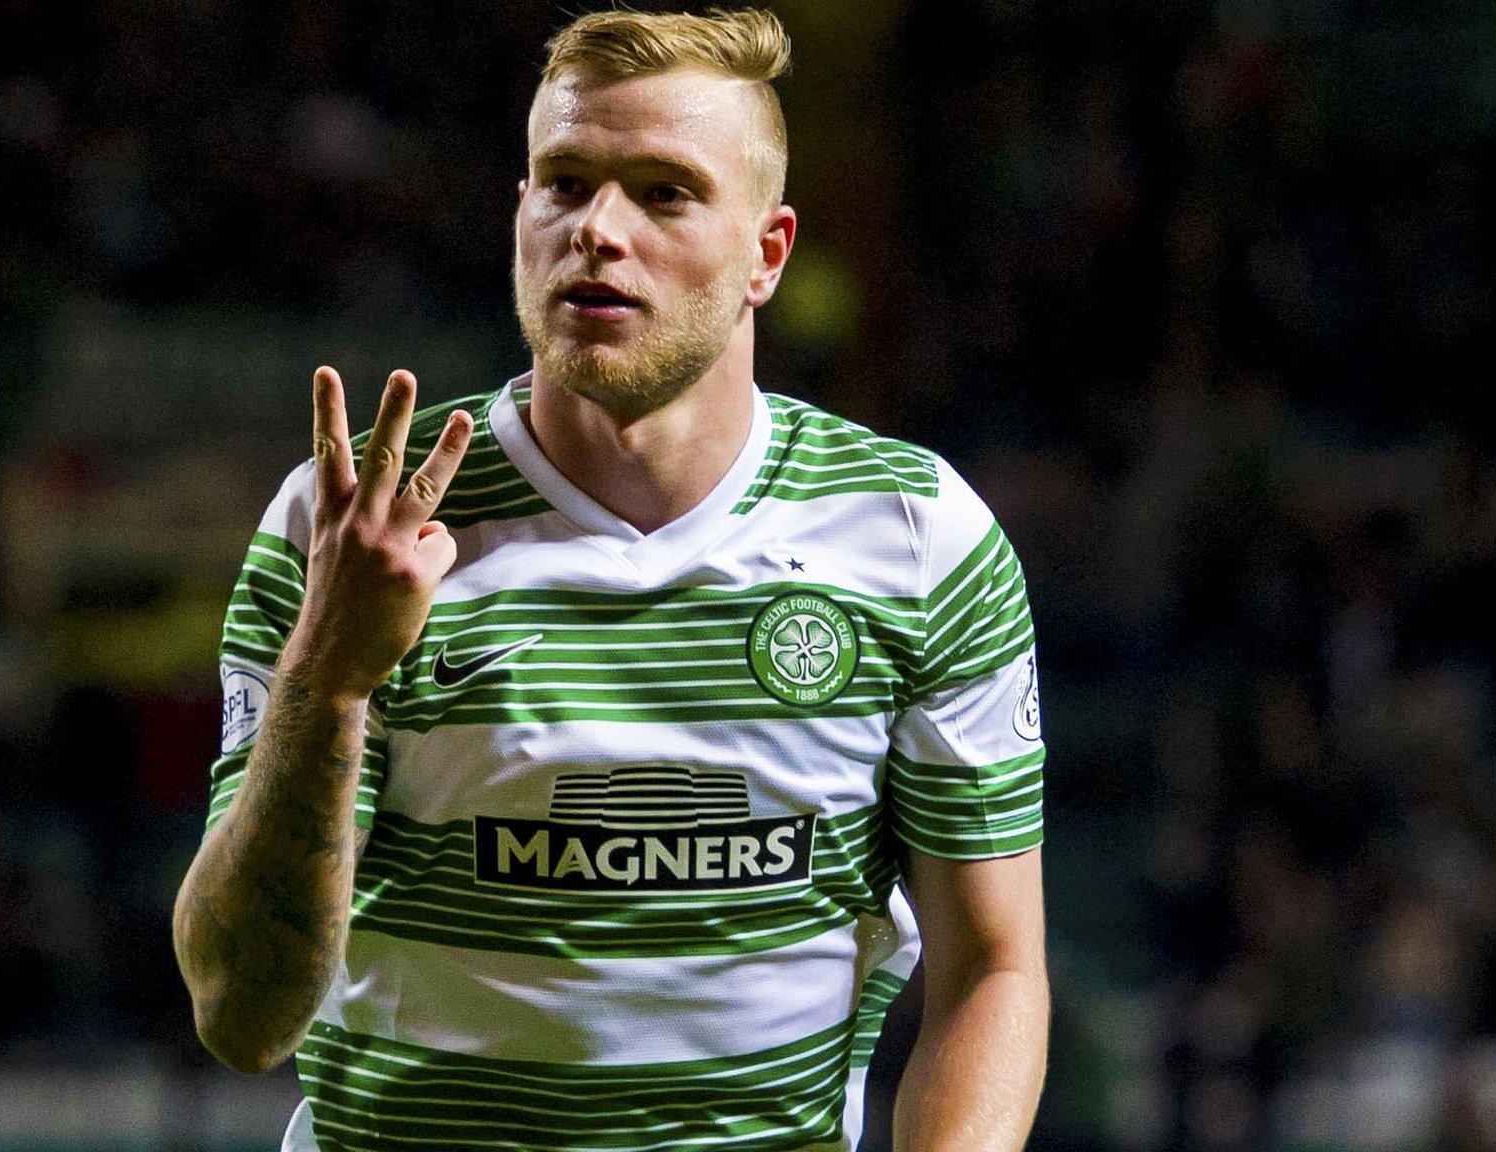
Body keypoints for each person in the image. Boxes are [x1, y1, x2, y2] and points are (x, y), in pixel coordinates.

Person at [171, 9, 1048, 1150]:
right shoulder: (345, 526)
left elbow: (991, 970)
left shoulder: (915, 535)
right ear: (519, 212)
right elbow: (242, 1016)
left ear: (764, 255)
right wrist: (327, 679)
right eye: (564, 182)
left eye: (663, 192)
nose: (597, 229)